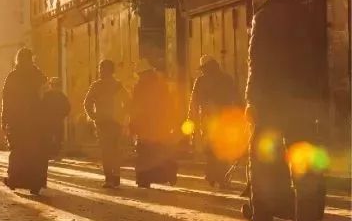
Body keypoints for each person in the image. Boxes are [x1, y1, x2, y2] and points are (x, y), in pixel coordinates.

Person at [245, 0, 324, 221]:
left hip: (270, 101)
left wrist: (251, 99)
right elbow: (319, 61)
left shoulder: (263, 17)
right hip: (302, 101)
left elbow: (257, 62)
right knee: (303, 162)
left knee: (262, 163)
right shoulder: (307, 15)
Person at [187, 55, 241, 188]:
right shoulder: (227, 79)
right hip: (224, 119)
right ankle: (220, 176)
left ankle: (213, 175)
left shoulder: (200, 81)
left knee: (211, 149)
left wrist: (191, 119)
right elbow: (237, 98)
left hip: (208, 120)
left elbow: (194, 102)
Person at [1, 48, 47, 194]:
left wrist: (4, 119)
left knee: (17, 151)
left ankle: (14, 179)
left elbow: (6, 99)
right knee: (35, 151)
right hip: (36, 120)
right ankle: (36, 183)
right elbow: (45, 96)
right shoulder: (38, 75)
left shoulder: (13, 76)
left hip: (17, 120)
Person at [129, 60, 178, 188]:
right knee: (155, 152)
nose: (140, 76)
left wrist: (133, 124)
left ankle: (146, 179)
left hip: (152, 126)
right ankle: (160, 177)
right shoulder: (158, 85)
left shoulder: (141, 87)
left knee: (148, 153)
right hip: (155, 126)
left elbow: (135, 107)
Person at [84, 60, 130, 188]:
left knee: (107, 151)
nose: (100, 72)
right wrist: (121, 115)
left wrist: (94, 117)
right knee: (114, 150)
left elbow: (87, 103)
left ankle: (110, 178)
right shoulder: (117, 85)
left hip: (104, 123)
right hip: (114, 122)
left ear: (106, 70)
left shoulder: (97, 86)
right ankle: (115, 177)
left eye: (101, 69)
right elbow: (128, 102)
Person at [40, 77, 70, 162]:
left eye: (56, 85)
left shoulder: (60, 96)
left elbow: (67, 108)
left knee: (56, 137)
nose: (54, 87)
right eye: (53, 85)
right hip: (50, 120)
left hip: (54, 120)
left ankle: (54, 154)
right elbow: (67, 108)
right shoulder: (49, 95)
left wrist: (61, 115)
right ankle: (51, 154)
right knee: (50, 137)